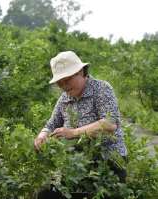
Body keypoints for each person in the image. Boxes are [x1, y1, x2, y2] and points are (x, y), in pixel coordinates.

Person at [34, 51, 127, 199]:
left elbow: (110, 124)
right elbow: (51, 123)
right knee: (46, 195)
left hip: (108, 162)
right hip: (77, 163)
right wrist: (42, 135)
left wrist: (73, 133)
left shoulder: (101, 89)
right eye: (60, 82)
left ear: (81, 72)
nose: (64, 86)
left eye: (67, 80)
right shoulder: (65, 98)